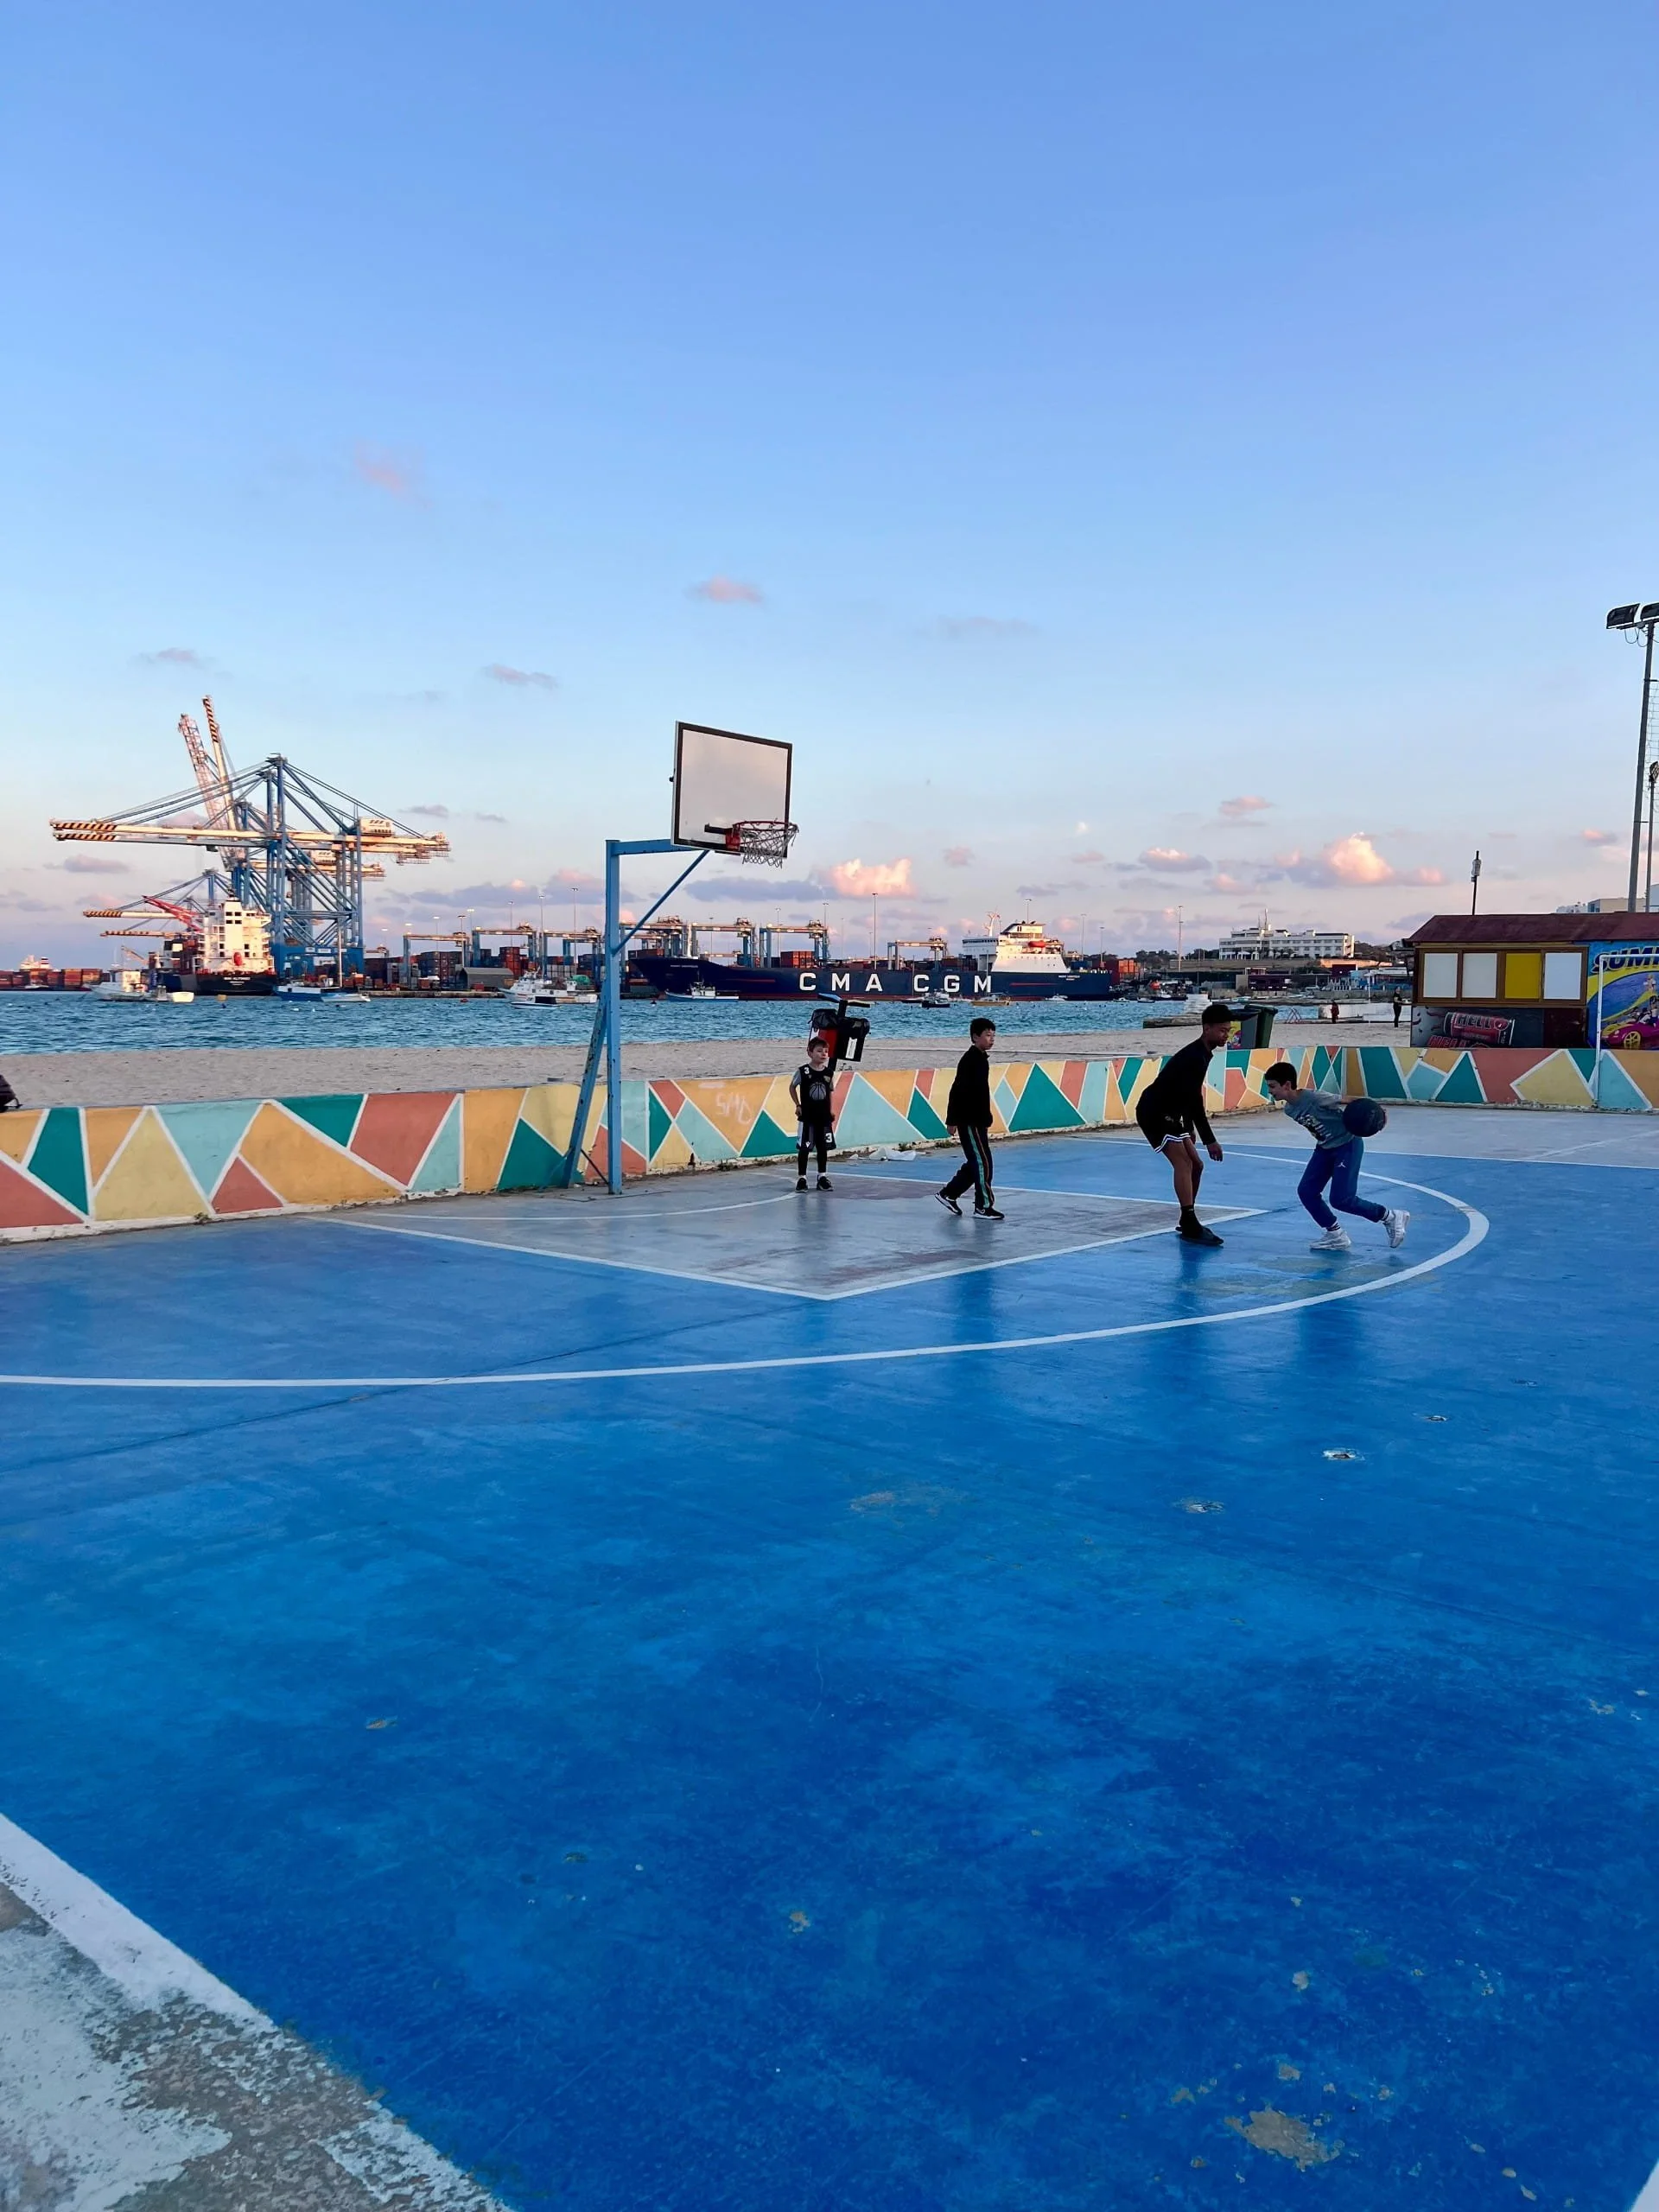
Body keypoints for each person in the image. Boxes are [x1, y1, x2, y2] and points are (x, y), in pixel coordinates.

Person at [1263, 1063, 1408, 1253]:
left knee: (1342, 1199)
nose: (1270, 1091)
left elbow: (1350, 1101)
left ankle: (1390, 1216)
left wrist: (1378, 1114)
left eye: (1272, 1086)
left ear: (1287, 1085)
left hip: (1347, 1146)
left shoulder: (1315, 1098)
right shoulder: (1289, 1110)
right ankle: (1335, 1235)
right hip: (1324, 1148)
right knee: (1306, 1191)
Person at [1135, 1003, 1233, 1244]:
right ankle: (1190, 1221)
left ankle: (1187, 1218)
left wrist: (1188, 1128)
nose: (1226, 1036)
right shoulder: (1194, 1056)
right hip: (1154, 1111)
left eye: (1228, 1031)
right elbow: (1194, 1100)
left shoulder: (1203, 1053)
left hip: (1171, 1113)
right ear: (1207, 1028)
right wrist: (1209, 1140)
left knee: (1197, 1166)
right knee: (1184, 1163)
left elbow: (1191, 1095)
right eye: (1222, 1031)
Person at [938, 1017, 1003, 1219]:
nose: (992, 1039)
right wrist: (952, 1120)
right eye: (988, 1035)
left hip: (979, 1120)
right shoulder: (970, 1060)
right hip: (969, 1121)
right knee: (982, 1163)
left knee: (978, 1162)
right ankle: (983, 1206)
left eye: (993, 1035)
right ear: (975, 1037)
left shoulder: (981, 1059)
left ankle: (949, 1193)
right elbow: (957, 1090)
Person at [789, 1035, 837, 1191]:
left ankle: (822, 1176)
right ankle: (802, 1178)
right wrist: (798, 1105)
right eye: (819, 1051)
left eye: (826, 1051)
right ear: (810, 1052)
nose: (823, 1054)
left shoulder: (829, 1073)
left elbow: (829, 1092)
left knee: (822, 1147)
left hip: (823, 1116)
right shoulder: (803, 1071)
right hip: (807, 1116)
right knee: (804, 1148)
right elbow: (792, 1087)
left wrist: (830, 1110)